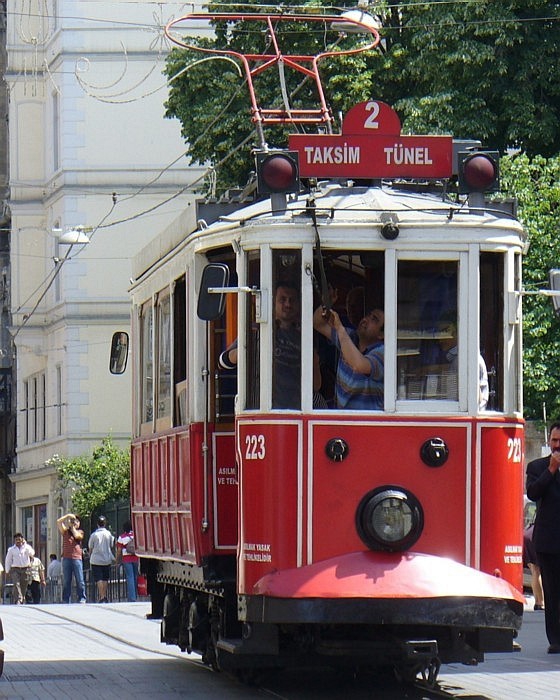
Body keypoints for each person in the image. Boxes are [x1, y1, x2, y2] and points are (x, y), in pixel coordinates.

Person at [526, 421, 560, 653]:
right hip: (548, 541)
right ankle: (555, 640)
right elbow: (533, 492)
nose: (557, 445)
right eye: (554, 440)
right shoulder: (537, 467)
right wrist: (551, 470)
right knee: (552, 591)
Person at [313, 304, 384, 410]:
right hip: (342, 418)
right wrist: (327, 304)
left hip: (366, 419)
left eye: (374, 319)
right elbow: (317, 323)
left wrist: (339, 328)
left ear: (382, 334)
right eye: (368, 315)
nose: (365, 319)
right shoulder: (350, 337)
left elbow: (358, 365)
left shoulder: (383, 353)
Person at [437, 316, 489, 409]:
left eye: (444, 333)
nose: (440, 339)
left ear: (457, 333)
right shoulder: (458, 357)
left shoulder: (467, 359)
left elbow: (476, 399)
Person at [57, 512, 87, 604]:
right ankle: (66, 599)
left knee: (80, 580)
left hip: (77, 558)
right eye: (73, 521)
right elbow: (58, 522)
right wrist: (67, 516)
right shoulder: (65, 531)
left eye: (77, 521)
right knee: (66, 580)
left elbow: (77, 536)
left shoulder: (80, 531)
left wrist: (72, 527)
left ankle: (82, 597)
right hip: (66, 558)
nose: (75, 523)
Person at [88, 515, 115, 603]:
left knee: (98, 578)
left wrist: (90, 555)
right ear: (105, 523)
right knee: (105, 578)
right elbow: (111, 545)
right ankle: (104, 595)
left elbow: (90, 548)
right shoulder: (109, 534)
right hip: (106, 559)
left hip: (96, 560)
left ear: (97, 524)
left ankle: (102, 596)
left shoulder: (94, 535)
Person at [4, 533, 34, 604]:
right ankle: (18, 599)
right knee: (16, 584)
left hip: (25, 569)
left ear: (22, 540)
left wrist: (25, 545)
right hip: (15, 569)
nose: (18, 541)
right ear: (14, 540)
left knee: (24, 585)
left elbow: (32, 553)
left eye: (19, 539)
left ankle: (22, 598)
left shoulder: (27, 547)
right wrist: (7, 570)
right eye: (16, 540)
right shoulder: (11, 550)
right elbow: (8, 560)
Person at [116, 520, 139, 602]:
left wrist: (117, 560)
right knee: (135, 576)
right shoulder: (135, 535)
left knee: (130, 577)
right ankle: (135, 595)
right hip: (136, 557)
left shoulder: (121, 537)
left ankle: (132, 597)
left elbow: (119, 550)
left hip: (126, 558)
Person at [523, 523, 544, 610]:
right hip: (536, 535)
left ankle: (538, 602)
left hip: (528, 534)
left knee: (535, 571)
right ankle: (541, 603)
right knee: (538, 572)